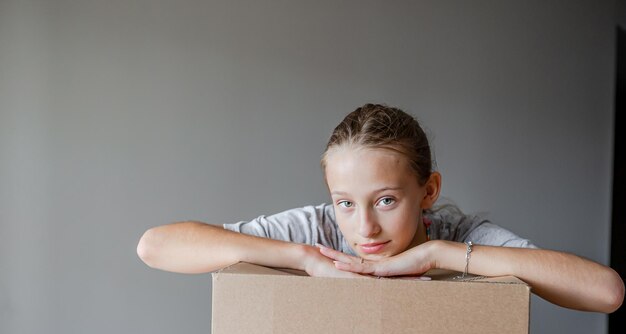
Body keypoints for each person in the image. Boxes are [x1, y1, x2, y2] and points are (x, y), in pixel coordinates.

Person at [137, 103, 624, 313]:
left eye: (386, 200)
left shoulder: (457, 232)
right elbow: (155, 247)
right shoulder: (319, 229)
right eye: (345, 202)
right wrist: (305, 257)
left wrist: (441, 255)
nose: (363, 225)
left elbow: (606, 293)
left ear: (428, 191)